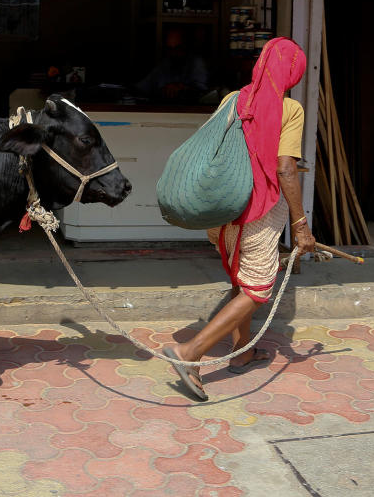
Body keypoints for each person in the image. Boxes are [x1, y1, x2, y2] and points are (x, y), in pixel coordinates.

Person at [164, 37, 316, 401]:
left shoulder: (232, 99)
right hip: (260, 211)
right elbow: (284, 167)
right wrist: (300, 224)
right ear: (292, 71)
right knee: (258, 288)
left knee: (240, 275)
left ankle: (243, 350)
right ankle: (190, 353)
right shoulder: (289, 109)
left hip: (224, 208)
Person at [134, 29, 209, 101]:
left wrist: (183, 89)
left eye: (178, 48)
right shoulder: (164, 65)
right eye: (170, 49)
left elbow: (204, 94)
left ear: (186, 47)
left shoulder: (197, 63)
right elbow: (140, 88)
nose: (173, 53)